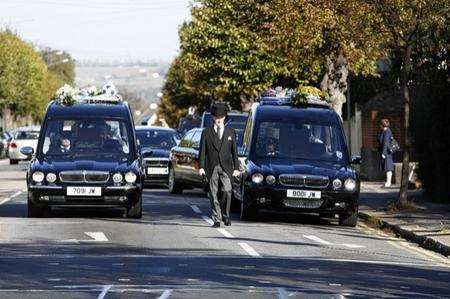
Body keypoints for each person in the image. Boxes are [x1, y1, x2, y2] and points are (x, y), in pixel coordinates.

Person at [199, 103, 240, 227]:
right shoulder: (206, 132)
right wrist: (201, 167)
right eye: (216, 117)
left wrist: (237, 168)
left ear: (224, 118)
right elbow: (202, 151)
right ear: (212, 117)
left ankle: (225, 215)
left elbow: (234, 152)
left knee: (227, 190)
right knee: (213, 192)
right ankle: (217, 219)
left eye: (221, 117)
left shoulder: (231, 132)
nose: (218, 119)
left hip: (226, 167)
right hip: (211, 166)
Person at [378, 118, 394, 187]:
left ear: (382, 125)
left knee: (388, 167)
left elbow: (385, 143)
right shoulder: (384, 131)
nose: (379, 126)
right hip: (386, 152)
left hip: (387, 152)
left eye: (380, 124)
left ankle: (388, 182)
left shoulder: (387, 132)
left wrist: (384, 153)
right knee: (387, 167)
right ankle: (387, 182)